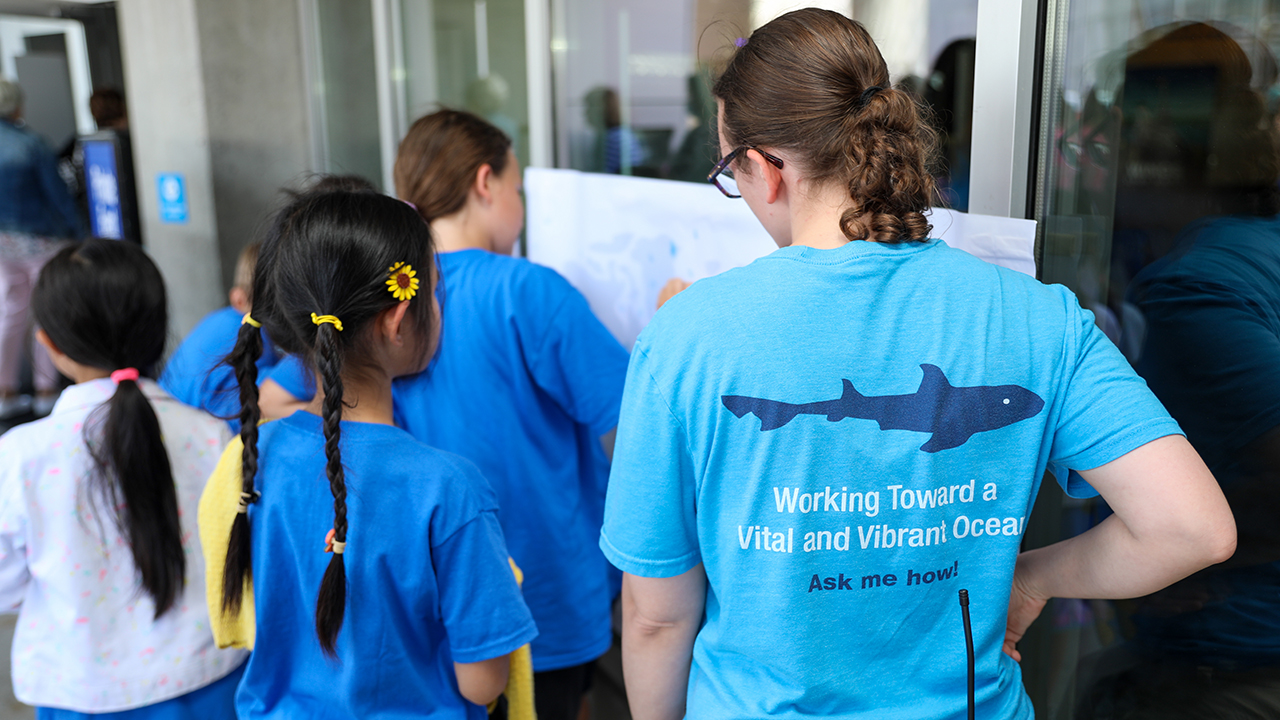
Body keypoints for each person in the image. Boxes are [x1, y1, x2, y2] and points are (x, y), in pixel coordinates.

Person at [597, 10, 1237, 720]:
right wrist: (1032, 580)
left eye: (730, 172)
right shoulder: (1039, 317)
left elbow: (655, 616)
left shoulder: (687, 335)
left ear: (768, 170)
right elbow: (1192, 528)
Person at [208, 188, 536, 717]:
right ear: (398, 319)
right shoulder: (447, 487)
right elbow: (482, 685)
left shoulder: (254, 455)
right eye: (434, 291)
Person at [391, 108, 630, 720]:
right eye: (517, 188)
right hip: (544, 593)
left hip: (437, 594)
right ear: (484, 182)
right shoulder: (528, 290)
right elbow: (634, 421)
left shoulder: (390, 300)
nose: (520, 206)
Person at [0, 239, 246, 717]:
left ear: (48, 342)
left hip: (84, 693)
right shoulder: (212, 435)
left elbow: (5, 584)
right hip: (212, 683)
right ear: (158, 330)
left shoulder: (23, 455)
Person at [0, 78, 83, 419]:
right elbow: (58, 197)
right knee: (44, 312)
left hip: (3, 244)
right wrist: (81, 234)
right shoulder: (31, 144)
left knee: (9, 313)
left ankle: (5, 392)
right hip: (42, 241)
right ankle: (46, 390)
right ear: (17, 106)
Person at [160, 240, 280, 431]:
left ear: (238, 298)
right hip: (195, 442)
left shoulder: (217, 320)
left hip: (165, 424)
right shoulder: (257, 337)